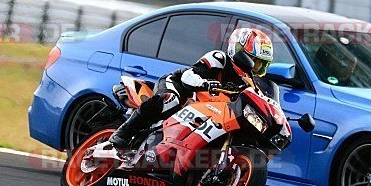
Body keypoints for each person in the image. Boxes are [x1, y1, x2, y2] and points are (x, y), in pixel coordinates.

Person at [109, 28, 274, 152]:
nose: (255, 67)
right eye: (254, 61)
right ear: (238, 50)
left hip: (206, 109)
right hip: (180, 86)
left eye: (261, 65)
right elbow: (188, 75)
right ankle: (123, 132)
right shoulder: (220, 58)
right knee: (169, 101)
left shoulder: (249, 83)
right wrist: (205, 83)